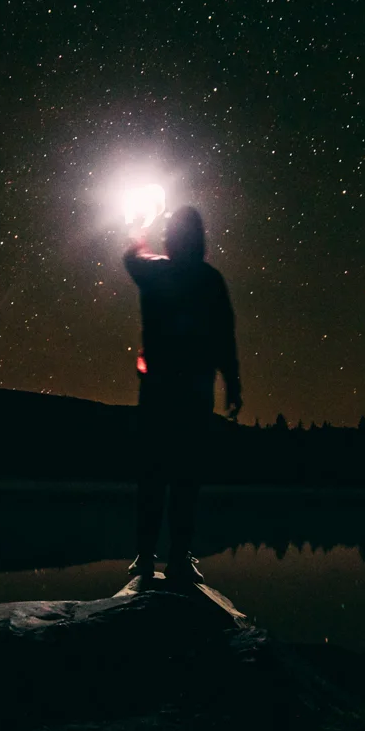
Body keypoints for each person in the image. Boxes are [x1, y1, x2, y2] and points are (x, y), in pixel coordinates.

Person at [123, 205, 241, 586]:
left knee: (153, 475)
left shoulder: (154, 269)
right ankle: (177, 559)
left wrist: (138, 226)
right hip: (193, 392)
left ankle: (145, 557)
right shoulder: (210, 279)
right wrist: (233, 383)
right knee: (186, 477)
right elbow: (224, 336)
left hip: (158, 392)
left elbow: (131, 256)